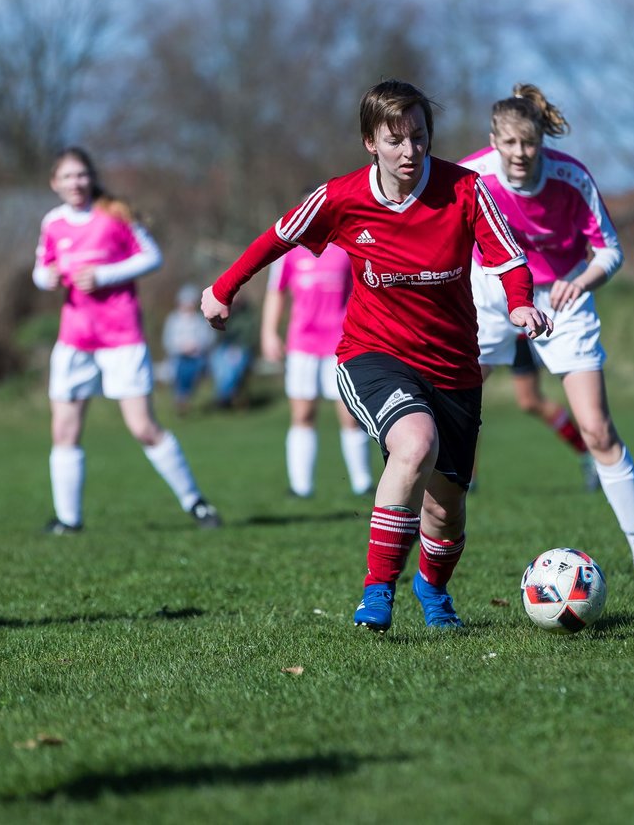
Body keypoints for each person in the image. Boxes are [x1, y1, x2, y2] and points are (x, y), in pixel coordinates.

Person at [202, 79, 550, 631]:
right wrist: (223, 288)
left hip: (454, 366)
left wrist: (520, 304)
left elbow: (507, 259)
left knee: (445, 509)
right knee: (414, 444)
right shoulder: (342, 197)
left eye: (419, 136)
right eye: (396, 140)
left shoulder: (466, 190)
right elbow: (278, 237)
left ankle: (432, 589)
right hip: (372, 353)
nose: (410, 151)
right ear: (370, 142)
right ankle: (377, 590)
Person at [460, 83, 634, 584]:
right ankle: (423, 566)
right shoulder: (470, 177)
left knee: (597, 429)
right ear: (493, 139)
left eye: (528, 143)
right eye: (508, 144)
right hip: (489, 298)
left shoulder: (571, 179)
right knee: (449, 427)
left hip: (562, 302)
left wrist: (577, 282)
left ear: (541, 141)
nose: (519, 154)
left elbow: (610, 252)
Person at [32, 146, 221, 533]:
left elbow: (152, 257)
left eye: (81, 174)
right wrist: (45, 278)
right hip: (75, 339)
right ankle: (69, 521)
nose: (75, 182)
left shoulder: (114, 213)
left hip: (121, 337)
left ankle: (196, 503)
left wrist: (103, 275)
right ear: (55, 183)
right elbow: (41, 268)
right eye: (67, 176)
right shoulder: (52, 222)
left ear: (92, 176)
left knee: (143, 427)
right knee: (64, 431)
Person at [260, 242, 374, 498]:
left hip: (342, 343)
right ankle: (301, 487)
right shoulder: (289, 252)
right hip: (302, 345)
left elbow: (364, 290)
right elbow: (275, 292)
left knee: (351, 415)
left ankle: (363, 482)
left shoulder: (346, 248)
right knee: (302, 415)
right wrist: (268, 333)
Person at [473, 334, 599, 492]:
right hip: (486, 326)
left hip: (517, 329)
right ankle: (466, 477)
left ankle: (588, 453)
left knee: (530, 401)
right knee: (466, 394)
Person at [162, 283, 218, 416]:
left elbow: (209, 338)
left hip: (197, 357)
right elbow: (168, 341)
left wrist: (196, 346)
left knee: (192, 370)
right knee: (179, 369)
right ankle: (181, 399)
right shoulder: (173, 320)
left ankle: (183, 398)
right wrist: (181, 347)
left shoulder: (200, 320)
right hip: (178, 356)